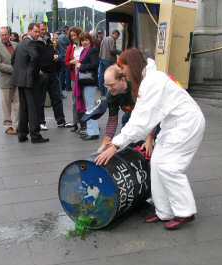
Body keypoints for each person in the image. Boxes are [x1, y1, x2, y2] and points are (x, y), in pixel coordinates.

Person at [96, 49, 206, 230]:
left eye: (123, 69)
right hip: (175, 125)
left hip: (186, 125)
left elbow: (141, 122)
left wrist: (115, 144)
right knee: (156, 163)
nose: (123, 74)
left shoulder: (153, 82)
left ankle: (185, 211)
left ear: (131, 66)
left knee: (169, 167)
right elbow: (143, 117)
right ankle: (164, 211)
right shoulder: (150, 80)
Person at [12, 23, 49, 144]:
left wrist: (23, 71)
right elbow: (35, 57)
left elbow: (13, 60)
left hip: (20, 80)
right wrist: (34, 72)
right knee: (33, 108)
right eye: (36, 31)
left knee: (24, 108)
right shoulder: (30, 43)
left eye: (39, 32)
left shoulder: (20, 44)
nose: (38, 34)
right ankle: (35, 135)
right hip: (29, 80)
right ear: (29, 31)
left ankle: (22, 134)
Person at [37, 23, 66, 130]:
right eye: (41, 29)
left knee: (57, 98)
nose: (43, 31)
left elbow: (55, 53)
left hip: (53, 73)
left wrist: (56, 57)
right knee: (40, 100)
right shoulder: (35, 42)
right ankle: (41, 122)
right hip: (42, 74)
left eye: (44, 29)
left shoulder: (49, 41)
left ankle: (60, 120)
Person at [0, 26, 19, 135]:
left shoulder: (16, 45)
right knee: (6, 105)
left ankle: (15, 125)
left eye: (6, 34)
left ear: (9, 35)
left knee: (18, 103)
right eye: (2, 35)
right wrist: (14, 69)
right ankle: (8, 126)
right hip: (6, 80)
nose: (4, 36)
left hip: (17, 79)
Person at [76, 32, 100, 140]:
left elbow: (95, 64)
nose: (84, 42)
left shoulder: (93, 50)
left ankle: (93, 132)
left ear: (90, 40)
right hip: (85, 82)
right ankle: (91, 130)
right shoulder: (84, 51)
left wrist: (81, 66)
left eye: (86, 40)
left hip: (90, 81)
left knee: (90, 107)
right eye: (82, 40)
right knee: (89, 107)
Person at [65, 27, 84, 131]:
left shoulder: (85, 45)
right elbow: (66, 62)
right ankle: (75, 122)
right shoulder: (70, 47)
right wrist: (72, 62)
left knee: (84, 100)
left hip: (85, 76)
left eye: (74, 35)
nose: (73, 38)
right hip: (74, 77)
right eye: (71, 36)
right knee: (75, 100)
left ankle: (85, 123)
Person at [98, 30, 120, 96]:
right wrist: (120, 52)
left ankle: (102, 93)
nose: (117, 37)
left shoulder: (104, 38)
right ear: (114, 34)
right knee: (108, 77)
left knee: (102, 77)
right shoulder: (112, 39)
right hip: (109, 60)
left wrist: (100, 58)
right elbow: (112, 50)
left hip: (102, 59)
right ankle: (107, 93)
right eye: (117, 36)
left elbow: (100, 49)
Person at [58, 26, 71, 95]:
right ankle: (68, 87)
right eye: (68, 30)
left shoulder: (59, 37)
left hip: (60, 56)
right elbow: (70, 44)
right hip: (65, 56)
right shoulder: (65, 37)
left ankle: (62, 86)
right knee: (67, 72)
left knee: (61, 73)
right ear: (66, 30)